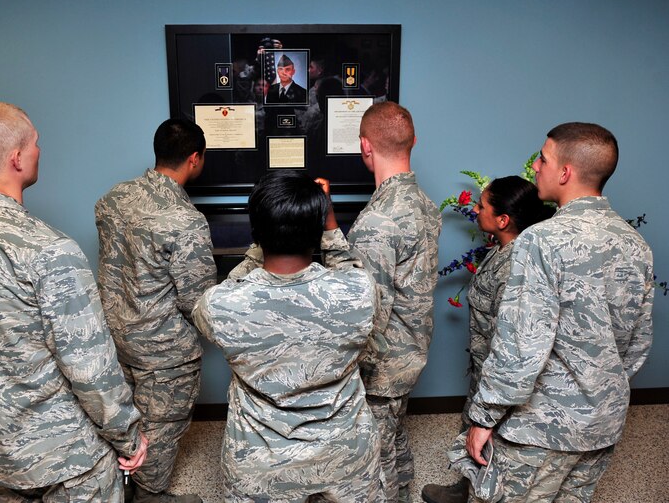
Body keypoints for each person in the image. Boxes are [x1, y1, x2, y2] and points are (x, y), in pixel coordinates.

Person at [0, 102, 147, 502]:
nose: (40, 150)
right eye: (36, 143)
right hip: (69, 462)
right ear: (17, 158)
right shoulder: (51, 251)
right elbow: (91, 368)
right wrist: (128, 437)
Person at [465, 123, 654, 503]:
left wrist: (484, 415)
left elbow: (522, 345)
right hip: (602, 422)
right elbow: (638, 343)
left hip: (541, 429)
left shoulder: (540, 239)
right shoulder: (636, 244)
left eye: (544, 158)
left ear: (565, 172)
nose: (536, 166)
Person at [192, 171, 384, 502]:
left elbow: (227, 289)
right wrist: (331, 227)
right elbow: (352, 270)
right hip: (345, 456)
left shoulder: (221, 305)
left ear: (257, 232)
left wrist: (258, 246)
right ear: (318, 229)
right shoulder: (359, 292)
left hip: (261, 463)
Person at [95, 118, 217, 503]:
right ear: (194, 159)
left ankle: (120, 486)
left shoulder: (113, 198)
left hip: (116, 336)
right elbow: (198, 300)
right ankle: (149, 495)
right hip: (164, 351)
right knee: (162, 424)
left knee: (125, 420)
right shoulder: (186, 222)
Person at [330, 101, 442, 502]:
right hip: (411, 349)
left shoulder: (378, 222)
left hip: (383, 364)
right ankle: (405, 490)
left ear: (364, 146)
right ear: (413, 141)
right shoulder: (424, 204)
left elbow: (369, 311)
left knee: (373, 457)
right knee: (393, 433)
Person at [420, 177, 554, 503]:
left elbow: (514, 340)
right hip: (483, 369)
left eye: (482, 206)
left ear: (503, 220)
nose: (475, 210)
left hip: (501, 375)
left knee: (495, 444)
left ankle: (481, 494)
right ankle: (465, 488)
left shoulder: (517, 267)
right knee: (473, 431)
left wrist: (493, 398)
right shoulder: (503, 248)